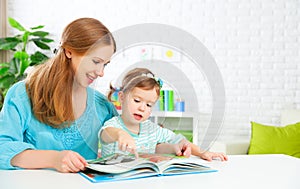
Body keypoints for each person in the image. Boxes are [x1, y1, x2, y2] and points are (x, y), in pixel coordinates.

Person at [0, 18, 118, 173]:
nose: (101, 72)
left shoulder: (102, 106)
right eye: (96, 61)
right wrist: (53, 159)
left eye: (105, 64)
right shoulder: (22, 94)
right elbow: (3, 147)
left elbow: (130, 139)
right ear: (69, 51)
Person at [99, 68, 228, 161]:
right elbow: (106, 134)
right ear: (122, 97)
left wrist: (201, 153)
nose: (142, 108)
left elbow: (178, 139)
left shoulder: (150, 128)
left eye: (149, 104)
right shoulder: (113, 125)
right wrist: (121, 134)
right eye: (137, 100)